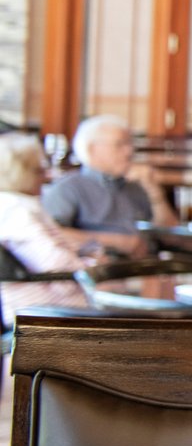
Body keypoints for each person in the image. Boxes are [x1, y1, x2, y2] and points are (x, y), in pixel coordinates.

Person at [41, 114, 175, 257]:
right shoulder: (69, 188)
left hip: (148, 266)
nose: (129, 152)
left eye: (130, 144)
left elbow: (170, 236)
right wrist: (118, 242)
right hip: (101, 267)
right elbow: (51, 234)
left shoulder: (136, 186)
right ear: (92, 149)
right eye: (120, 145)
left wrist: (154, 191)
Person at [0, 131, 90, 319]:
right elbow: (58, 270)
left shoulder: (15, 205)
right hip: (47, 313)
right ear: (21, 173)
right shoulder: (16, 212)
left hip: (52, 306)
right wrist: (94, 270)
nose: (47, 175)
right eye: (39, 169)